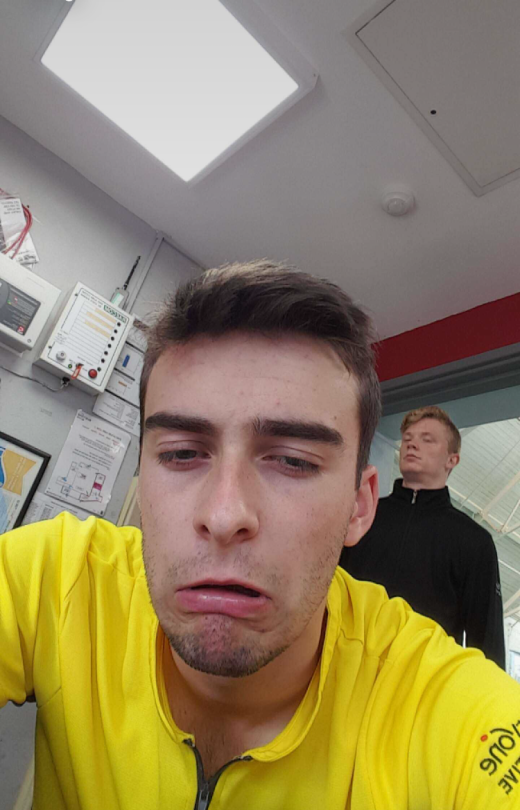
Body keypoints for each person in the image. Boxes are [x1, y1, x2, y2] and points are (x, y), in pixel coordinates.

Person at [0, 262, 519, 810]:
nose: (224, 516)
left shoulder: (445, 711)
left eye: (293, 461)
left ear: (359, 507)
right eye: (181, 453)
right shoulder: (57, 580)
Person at [340, 405, 505, 667]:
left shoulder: (474, 542)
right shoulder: (360, 516)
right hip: (345, 667)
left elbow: (487, 642)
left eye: (427, 440)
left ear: (452, 460)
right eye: (407, 438)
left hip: (421, 679)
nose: (412, 444)